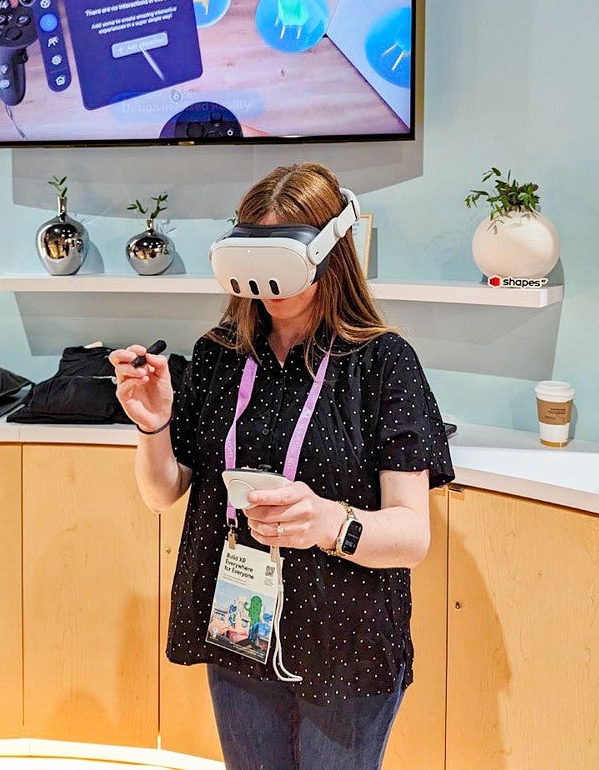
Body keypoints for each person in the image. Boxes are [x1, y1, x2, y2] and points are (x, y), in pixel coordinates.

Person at [110, 162, 454, 770]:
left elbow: (412, 535)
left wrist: (329, 523)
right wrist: (153, 425)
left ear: (328, 254)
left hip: (346, 638)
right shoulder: (219, 355)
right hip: (241, 622)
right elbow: (163, 492)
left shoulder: (382, 363)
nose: (267, 285)